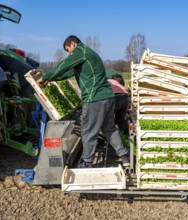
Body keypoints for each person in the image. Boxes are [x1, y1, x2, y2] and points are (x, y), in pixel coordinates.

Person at [37, 35, 129, 168]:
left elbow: (64, 65)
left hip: (94, 98)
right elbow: (68, 73)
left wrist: (44, 77)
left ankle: (87, 162)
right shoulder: (88, 55)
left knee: (88, 130)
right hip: (108, 97)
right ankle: (124, 156)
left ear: (73, 44)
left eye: (68, 50)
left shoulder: (81, 51)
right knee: (109, 129)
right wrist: (50, 80)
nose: (69, 54)